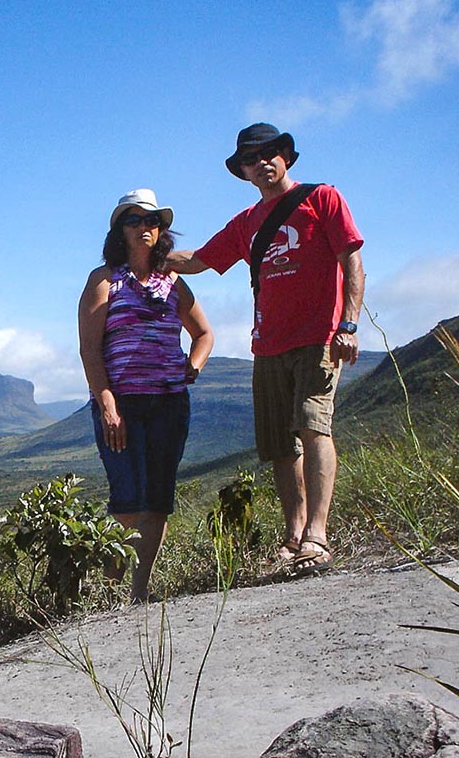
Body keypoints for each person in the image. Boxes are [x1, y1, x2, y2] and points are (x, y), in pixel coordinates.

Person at [165, 123, 365, 576]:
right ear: (245, 172)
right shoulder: (247, 223)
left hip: (319, 336)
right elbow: (197, 260)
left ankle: (317, 534)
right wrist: (148, 253)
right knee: (279, 444)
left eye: (270, 153)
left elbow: (351, 258)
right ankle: (293, 536)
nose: (263, 162)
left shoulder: (322, 199)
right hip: (267, 344)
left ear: (286, 157)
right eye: (253, 158)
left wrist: (348, 324)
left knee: (314, 427)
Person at [78, 188, 214, 603]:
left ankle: (139, 592)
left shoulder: (172, 283)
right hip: (122, 402)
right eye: (133, 220)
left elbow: (203, 333)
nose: (144, 228)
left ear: (161, 230)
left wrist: (193, 365)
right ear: (119, 230)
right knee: (125, 497)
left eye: (151, 221)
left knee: (158, 498)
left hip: (169, 402)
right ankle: (110, 586)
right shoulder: (103, 280)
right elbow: (90, 348)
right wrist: (107, 406)